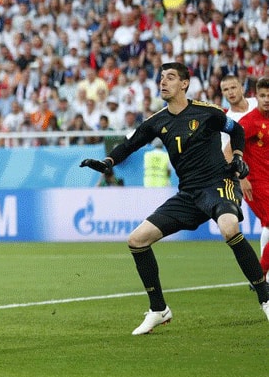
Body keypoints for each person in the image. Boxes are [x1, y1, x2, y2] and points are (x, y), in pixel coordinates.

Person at [81, 62, 269, 334]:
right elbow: (130, 144)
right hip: (188, 193)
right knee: (136, 240)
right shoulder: (158, 121)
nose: (163, 82)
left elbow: (236, 131)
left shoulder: (207, 112)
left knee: (229, 228)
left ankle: (265, 298)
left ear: (184, 84)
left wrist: (238, 157)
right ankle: (158, 309)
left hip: (218, 183)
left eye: (170, 77)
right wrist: (108, 161)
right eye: (161, 78)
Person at [237, 78, 269, 275]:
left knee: (267, 225)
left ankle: (261, 277)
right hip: (255, 183)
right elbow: (229, 150)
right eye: (263, 95)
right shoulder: (249, 122)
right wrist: (241, 178)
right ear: (256, 96)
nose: (267, 99)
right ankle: (260, 274)